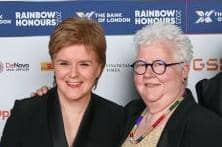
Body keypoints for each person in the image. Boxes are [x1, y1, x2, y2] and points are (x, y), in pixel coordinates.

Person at [0, 17, 124, 147]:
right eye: (64, 63)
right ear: (53, 65)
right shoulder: (25, 113)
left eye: (84, 64)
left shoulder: (116, 117)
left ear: (99, 68)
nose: (73, 74)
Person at [120, 23, 222, 147]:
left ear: (183, 70)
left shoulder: (205, 126)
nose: (148, 74)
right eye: (141, 64)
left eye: (159, 64)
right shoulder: (129, 112)